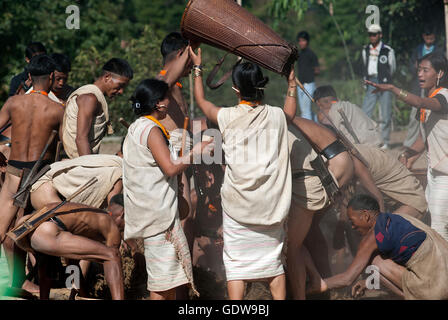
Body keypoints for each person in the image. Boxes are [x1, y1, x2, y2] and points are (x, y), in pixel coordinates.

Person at [190, 46, 296, 300]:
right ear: (261, 87)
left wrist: (197, 68)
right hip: (271, 208)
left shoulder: (226, 116)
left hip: (238, 209)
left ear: (236, 90)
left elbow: (203, 103)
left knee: (236, 269)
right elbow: (290, 112)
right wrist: (291, 82)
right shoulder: (276, 116)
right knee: (273, 266)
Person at [122, 78, 211, 300]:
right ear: (158, 104)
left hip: (150, 212)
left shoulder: (137, 127)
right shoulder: (151, 130)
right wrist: (196, 151)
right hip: (157, 218)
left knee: (167, 281)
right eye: (166, 98)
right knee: (161, 285)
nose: (169, 103)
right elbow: (170, 168)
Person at [366, 52, 448, 242]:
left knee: (438, 225)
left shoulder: (443, 97)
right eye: (419, 69)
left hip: (445, 173)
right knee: (431, 219)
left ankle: (442, 270)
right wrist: (408, 154)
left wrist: (392, 89)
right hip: (434, 171)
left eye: (425, 70)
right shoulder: (430, 98)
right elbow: (423, 138)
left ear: (440, 73)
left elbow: (418, 102)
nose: (420, 74)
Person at [310, 194, 448, 300]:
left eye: (352, 221)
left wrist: (314, 286)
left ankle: (414, 297)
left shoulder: (372, 238)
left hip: (434, 290)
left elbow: (347, 278)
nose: (352, 227)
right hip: (444, 278)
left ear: (365, 215)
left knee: (375, 262)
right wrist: (369, 282)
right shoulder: (399, 218)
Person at [0, 54, 64, 244]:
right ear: (51, 76)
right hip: (40, 175)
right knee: (47, 225)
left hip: (14, 172)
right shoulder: (58, 109)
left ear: (29, 76)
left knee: (1, 228)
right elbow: (64, 144)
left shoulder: (13, 102)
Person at [13, 202, 125, 300]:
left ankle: (44, 297)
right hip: (46, 230)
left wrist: (78, 293)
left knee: (48, 259)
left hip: (23, 227)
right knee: (112, 255)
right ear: (122, 214)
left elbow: (73, 263)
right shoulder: (111, 224)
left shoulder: (89, 212)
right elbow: (112, 258)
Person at [156, 32, 196, 253]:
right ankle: (177, 265)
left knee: (185, 208)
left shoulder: (172, 82)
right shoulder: (163, 80)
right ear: (181, 54)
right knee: (182, 210)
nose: (192, 66)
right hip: (173, 155)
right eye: (189, 59)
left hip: (181, 154)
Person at [62, 58, 133, 159]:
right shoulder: (90, 99)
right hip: (78, 162)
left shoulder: (93, 96)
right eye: (120, 86)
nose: (121, 91)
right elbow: (81, 139)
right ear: (107, 77)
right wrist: (90, 170)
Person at [30, 154, 123, 211]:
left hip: (44, 184)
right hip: (44, 187)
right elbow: (114, 211)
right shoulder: (119, 173)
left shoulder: (112, 162)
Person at [403, 26, 444, 148]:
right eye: (427, 36)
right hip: (418, 86)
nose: (429, 39)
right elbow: (411, 66)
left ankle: (432, 142)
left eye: (431, 37)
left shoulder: (439, 50)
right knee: (415, 115)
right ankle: (410, 143)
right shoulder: (417, 50)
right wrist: (417, 68)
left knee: (433, 116)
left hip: (433, 88)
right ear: (423, 37)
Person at [361, 24, 396, 149]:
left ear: (380, 35)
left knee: (386, 112)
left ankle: (385, 140)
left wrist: (387, 80)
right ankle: (368, 139)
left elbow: (392, 68)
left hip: (385, 82)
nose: (372, 37)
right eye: (370, 34)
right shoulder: (365, 49)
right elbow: (365, 65)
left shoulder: (388, 50)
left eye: (374, 34)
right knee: (365, 112)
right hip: (371, 81)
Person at [314, 85, 383, 147]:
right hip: (376, 137)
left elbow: (331, 136)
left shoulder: (326, 113)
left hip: (361, 143)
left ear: (318, 103)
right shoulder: (349, 105)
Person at [296, 31, 320, 121]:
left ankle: (308, 132)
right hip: (300, 85)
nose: (301, 43)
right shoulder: (299, 55)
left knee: (305, 111)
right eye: (300, 41)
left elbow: (317, 70)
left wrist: (310, 73)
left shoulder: (311, 54)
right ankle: (317, 125)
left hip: (309, 85)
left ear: (307, 41)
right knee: (304, 110)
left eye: (303, 40)